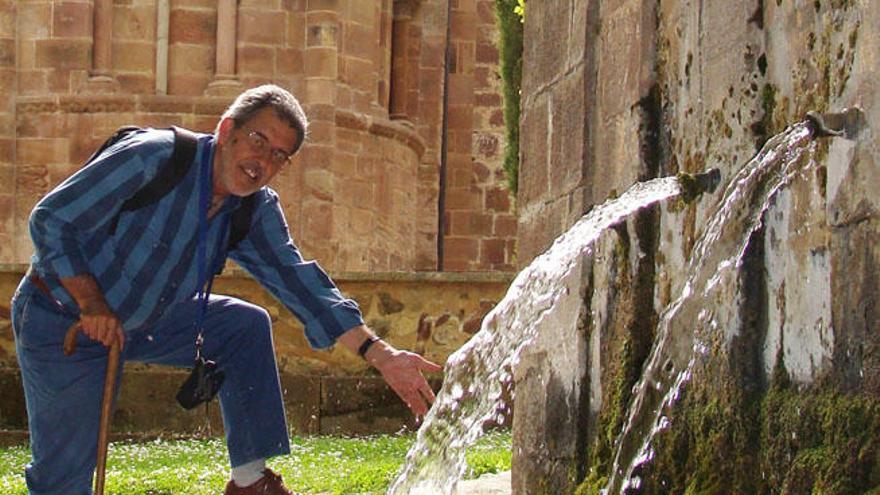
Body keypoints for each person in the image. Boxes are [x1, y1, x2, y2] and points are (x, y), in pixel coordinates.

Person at [11, 84, 442, 495]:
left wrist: (382, 356)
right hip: (63, 317)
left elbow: (301, 283)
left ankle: (250, 481)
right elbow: (51, 220)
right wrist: (92, 303)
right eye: (258, 140)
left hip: (145, 319)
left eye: (279, 156)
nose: (263, 162)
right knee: (63, 479)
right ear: (225, 130)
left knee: (242, 327)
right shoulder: (152, 158)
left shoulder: (253, 208)